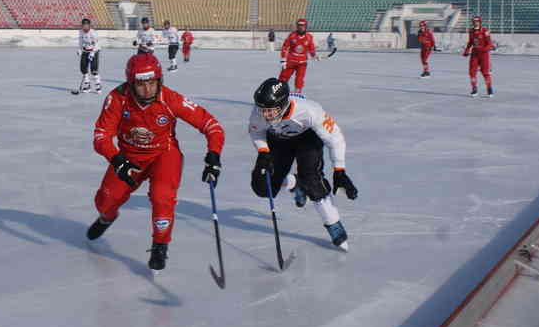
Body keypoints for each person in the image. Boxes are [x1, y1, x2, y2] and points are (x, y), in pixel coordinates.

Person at [87, 52, 225, 271]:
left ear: (160, 80)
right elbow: (100, 136)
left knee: (162, 197)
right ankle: (107, 217)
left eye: (152, 83)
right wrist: (116, 159)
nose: (148, 90)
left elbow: (211, 124)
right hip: (129, 158)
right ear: (131, 83)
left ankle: (160, 244)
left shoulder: (170, 99)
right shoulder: (117, 99)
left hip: (164, 155)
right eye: (141, 84)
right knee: (105, 201)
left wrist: (214, 155)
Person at [249, 78, 357, 251]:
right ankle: (294, 183)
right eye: (263, 110)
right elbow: (256, 132)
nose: (265, 115)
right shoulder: (260, 110)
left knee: (311, 179)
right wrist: (263, 152)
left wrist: (339, 170)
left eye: (271, 111)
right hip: (279, 140)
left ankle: (333, 223)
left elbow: (335, 137)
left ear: (284, 105)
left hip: (307, 138)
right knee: (262, 186)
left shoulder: (310, 111)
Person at [279, 18, 319, 93]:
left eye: (303, 26)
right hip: (290, 61)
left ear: (306, 26)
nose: (301, 27)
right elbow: (285, 47)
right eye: (299, 26)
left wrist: (314, 55)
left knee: (299, 79)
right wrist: (283, 59)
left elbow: (311, 48)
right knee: (283, 77)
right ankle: (279, 91)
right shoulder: (292, 35)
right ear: (297, 26)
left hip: (302, 63)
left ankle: (297, 92)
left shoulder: (309, 37)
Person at [463, 15, 495, 97]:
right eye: (474, 22)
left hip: (484, 54)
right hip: (474, 54)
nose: (475, 23)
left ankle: (489, 88)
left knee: (485, 72)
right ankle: (474, 88)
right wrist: (467, 50)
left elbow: (489, 43)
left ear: (480, 22)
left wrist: (485, 49)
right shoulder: (471, 31)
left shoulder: (485, 31)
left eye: (477, 22)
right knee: (472, 72)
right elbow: (470, 42)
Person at [77, 18, 101, 93]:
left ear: (89, 25)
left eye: (86, 25)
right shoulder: (81, 32)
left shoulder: (93, 32)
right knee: (83, 68)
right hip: (85, 51)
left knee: (93, 69)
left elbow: (96, 44)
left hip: (94, 50)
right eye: (83, 25)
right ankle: (87, 86)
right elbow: (81, 41)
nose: (85, 27)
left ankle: (98, 85)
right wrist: (80, 49)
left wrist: (92, 53)